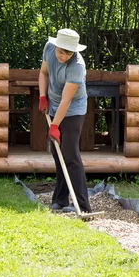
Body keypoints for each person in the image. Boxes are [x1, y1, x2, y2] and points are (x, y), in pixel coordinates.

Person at [38, 28, 92, 213]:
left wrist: (55, 126)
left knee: (70, 155)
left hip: (73, 111)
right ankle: (60, 200)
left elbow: (66, 100)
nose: (63, 55)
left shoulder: (77, 66)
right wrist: (42, 97)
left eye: (68, 52)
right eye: (61, 50)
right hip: (54, 105)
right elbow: (44, 73)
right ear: (56, 45)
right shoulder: (49, 48)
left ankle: (83, 206)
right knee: (57, 153)